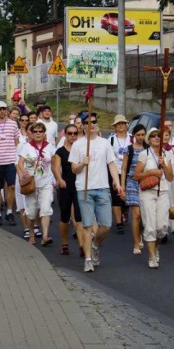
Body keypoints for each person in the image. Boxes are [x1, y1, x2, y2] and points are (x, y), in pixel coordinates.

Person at [69, 113, 123, 273]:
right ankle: (87, 259)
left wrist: (117, 182)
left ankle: (95, 245)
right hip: (84, 189)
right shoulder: (78, 145)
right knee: (86, 226)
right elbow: (73, 169)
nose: (91, 124)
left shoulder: (105, 143)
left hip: (102, 188)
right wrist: (82, 164)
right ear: (83, 126)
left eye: (93, 121)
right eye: (87, 122)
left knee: (105, 226)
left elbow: (112, 164)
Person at [134, 127, 174, 269]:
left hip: (163, 191)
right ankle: (152, 257)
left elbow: (170, 177)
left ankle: (156, 247)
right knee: (150, 226)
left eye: (159, 136)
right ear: (149, 139)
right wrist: (150, 172)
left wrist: (164, 166)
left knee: (162, 227)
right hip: (148, 192)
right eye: (153, 136)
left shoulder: (167, 154)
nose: (157, 138)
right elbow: (136, 175)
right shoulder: (144, 154)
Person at [17, 122, 56, 246]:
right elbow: (20, 162)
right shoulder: (27, 146)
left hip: (46, 182)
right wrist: (23, 172)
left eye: (40, 131)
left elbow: (54, 164)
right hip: (32, 183)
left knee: (45, 209)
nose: (38, 133)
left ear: (44, 133)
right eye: (35, 132)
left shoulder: (50, 147)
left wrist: (57, 179)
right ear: (32, 134)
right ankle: (32, 233)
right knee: (31, 211)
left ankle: (45, 236)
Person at [52, 123, 84, 255]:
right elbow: (55, 167)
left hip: (79, 185)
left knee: (79, 217)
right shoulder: (60, 151)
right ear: (65, 134)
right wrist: (60, 180)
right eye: (70, 133)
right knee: (65, 217)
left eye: (75, 133)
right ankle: (65, 244)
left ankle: (82, 245)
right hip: (65, 185)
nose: (73, 136)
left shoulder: (82, 149)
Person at [121, 124, 148, 255]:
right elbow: (124, 169)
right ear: (134, 136)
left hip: (145, 183)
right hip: (132, 182)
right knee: (136, 215)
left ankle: (140, 234)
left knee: (143, 216)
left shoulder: (148, 149)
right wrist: (122, 187)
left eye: (143, 135)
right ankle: (136, 243)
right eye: (138, 135)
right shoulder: (129, 150)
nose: (141, 137)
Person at [108, 114, 131, 234]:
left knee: (126, 197)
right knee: (116, 196)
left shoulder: (131, 138)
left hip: (129, 172)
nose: (121, 126)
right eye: (118, 124)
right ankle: (118, 223)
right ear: (115, 127)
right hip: (115, 171)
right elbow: (109, 158)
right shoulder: (111, 139)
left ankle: (125, 211)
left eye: (123, 123)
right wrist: (113, 177)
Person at [15, 114, 33, 238]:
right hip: (22, 176)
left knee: (34, 204)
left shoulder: (42, 146)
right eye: (32, 131)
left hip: (36, 177)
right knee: (22, 203)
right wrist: (21, 174)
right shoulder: (21, 145)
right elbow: (16, 160)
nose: (34, 134)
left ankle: (35, 226)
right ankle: (27, 228)